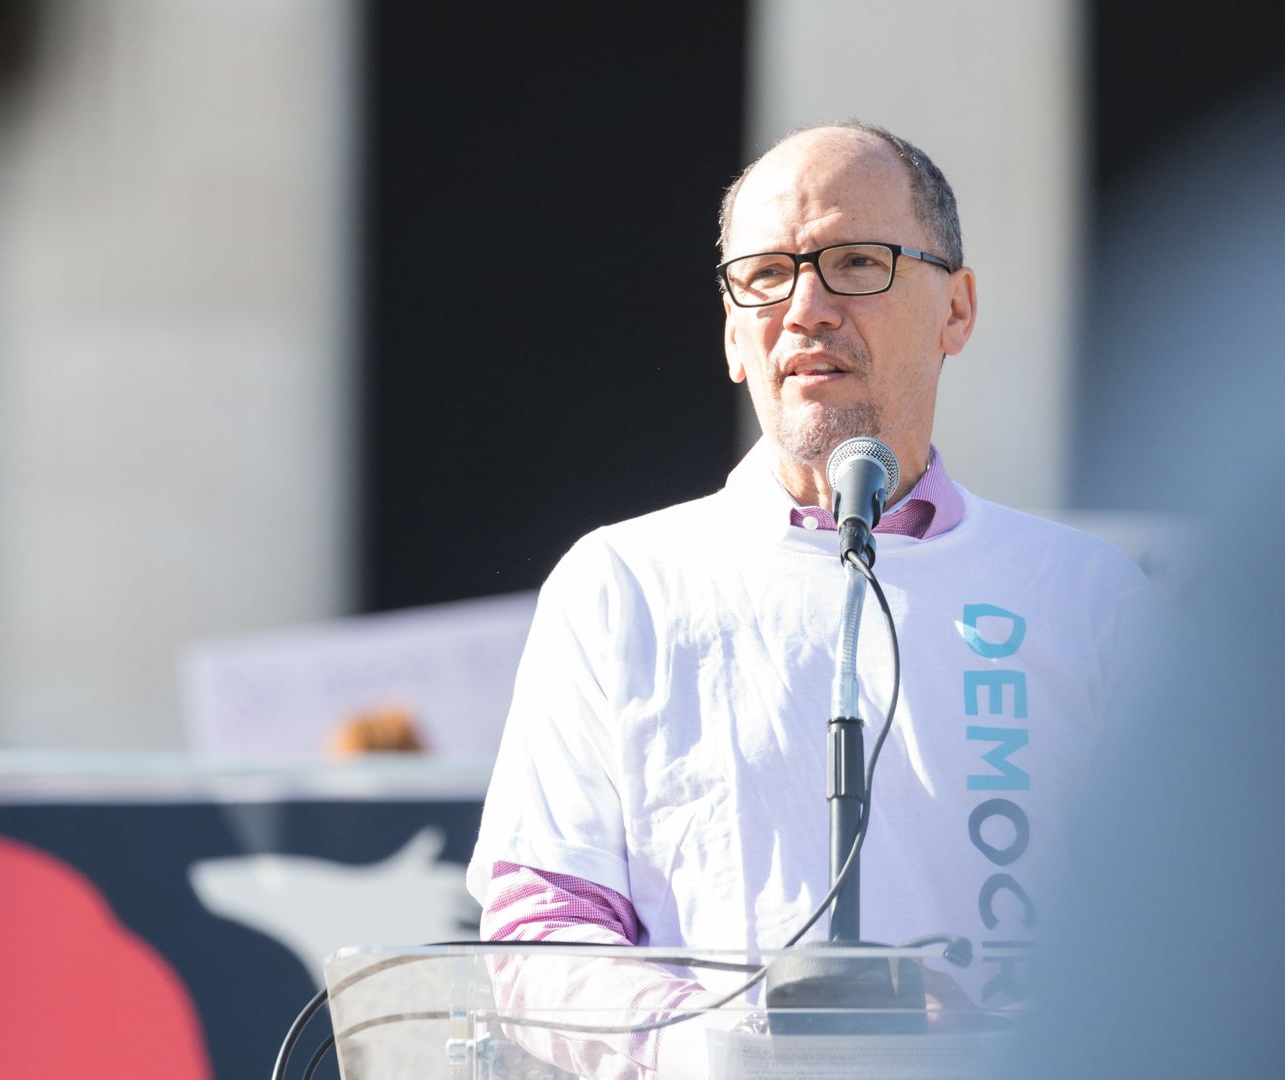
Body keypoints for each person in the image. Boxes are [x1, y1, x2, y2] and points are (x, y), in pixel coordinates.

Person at [464, 122, 1146, 1078]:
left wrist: (1003, 1036)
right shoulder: (621, 585)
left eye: (857, 262)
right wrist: (725, 1040)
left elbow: (1176, 916)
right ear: (733, 336)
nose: (807, 307)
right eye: (766, 276)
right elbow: (545, 925)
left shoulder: (1089, 597)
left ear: (957, 308)